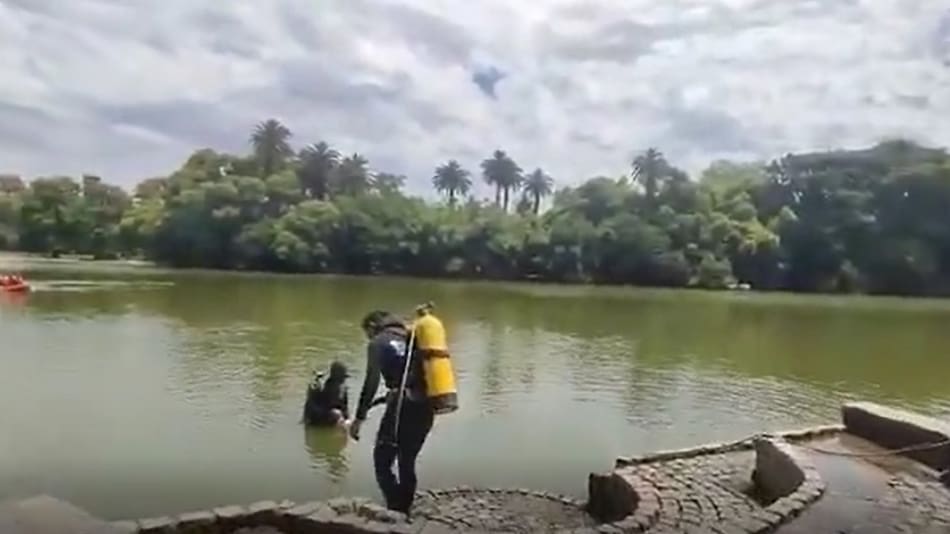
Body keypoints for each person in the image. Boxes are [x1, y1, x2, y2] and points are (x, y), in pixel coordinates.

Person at [349, 310, 435, 515]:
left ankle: (395, 510)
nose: (368, 338)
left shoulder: (378, 342)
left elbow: (371, 382)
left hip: (402, 407)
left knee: (382, 461)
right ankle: (404, 511)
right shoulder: (412, 337)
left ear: (372, 327)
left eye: (367, 334)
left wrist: (358, 419)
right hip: (427, 404)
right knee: (407, 461)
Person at [302, 361, 350, 428]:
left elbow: (345, 407)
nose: (343, 380)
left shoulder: (343, 389)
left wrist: (347, 419)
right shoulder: (325, 387)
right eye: (341, 377)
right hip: (319, 415)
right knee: (336, 414)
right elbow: (312, 405)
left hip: (330, 415)